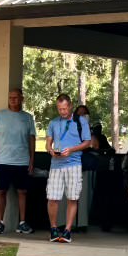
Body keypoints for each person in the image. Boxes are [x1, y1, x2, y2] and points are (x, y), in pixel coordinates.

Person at [0, 88, 36, 234]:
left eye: (16, 97)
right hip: (3, 161)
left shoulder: (27, 117)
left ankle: (22, 223)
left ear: (22, 99)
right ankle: (0, 222)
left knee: (22, 192)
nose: (13, 100)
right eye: (10, 97)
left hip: (22, 161)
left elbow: (32, 139)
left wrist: (32, 160)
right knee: (1, 191)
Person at [45, 94, 91, 243]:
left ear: (70, 106)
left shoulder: (81, 121)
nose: (62, 112)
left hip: (74, 163)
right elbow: (48, 143)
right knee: (52, 197)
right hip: (56, 165)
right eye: (59, 109)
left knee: (72, 197)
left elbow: (87, 143)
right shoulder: (53, 123)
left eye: (64, 108)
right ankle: (53, 229)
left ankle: (67, 231)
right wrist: (50, 150)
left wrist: (71, 149)